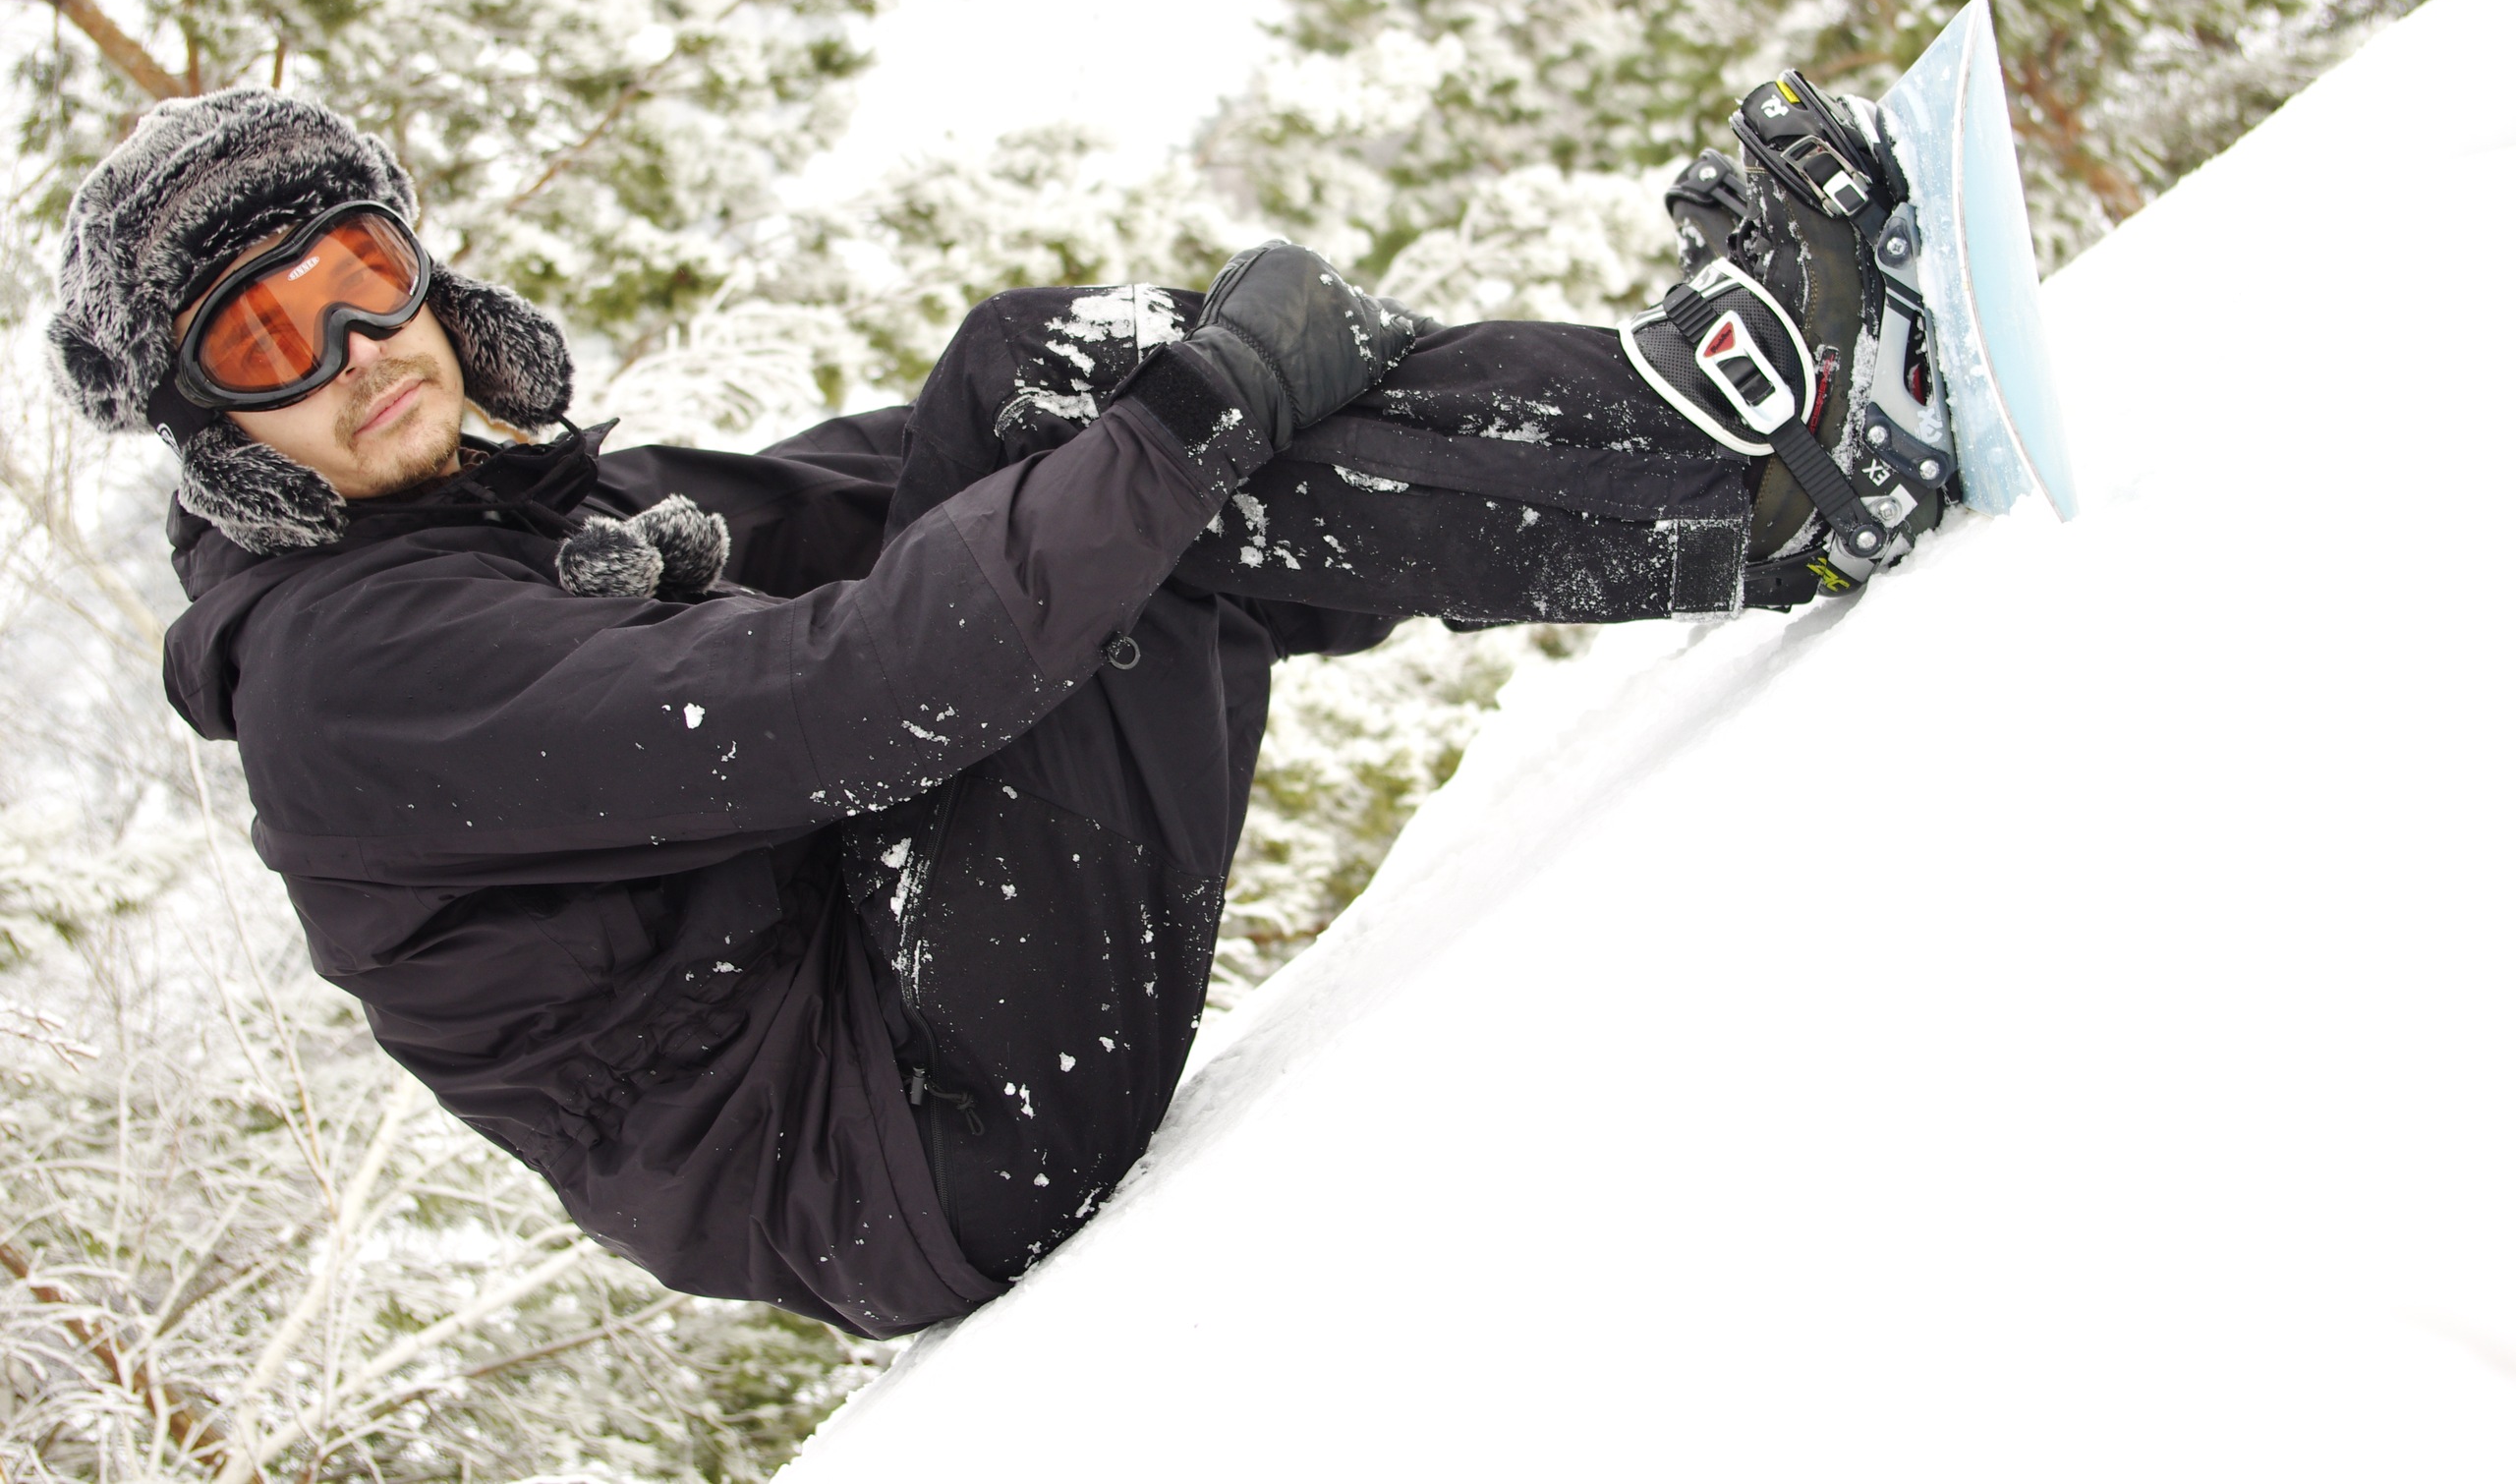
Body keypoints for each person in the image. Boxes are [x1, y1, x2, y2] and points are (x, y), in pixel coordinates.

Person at [45, 84, 1937, 1335]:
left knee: (1057, 410)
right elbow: (848, 699)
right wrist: (1197, 413)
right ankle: (1754, 466)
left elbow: (908, 481)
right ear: (218, 432)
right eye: (265, 337)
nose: (355, 351)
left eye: (361, 275)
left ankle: (1711, 438)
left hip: (910, 1000)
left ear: (425, 271)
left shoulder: (533, 524)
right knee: (1112, 478)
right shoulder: (352, 676)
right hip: (920, 1144)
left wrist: (1197, 393)